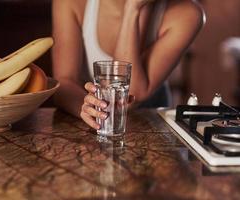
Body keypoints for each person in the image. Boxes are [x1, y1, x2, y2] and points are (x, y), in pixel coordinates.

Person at [52, 0, 205, 130]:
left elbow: (128, 94)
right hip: (91, 128)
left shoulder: (188, 13)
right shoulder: (71, 3)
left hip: (152, 132)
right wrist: (91, 110)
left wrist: (133, 9)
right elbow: (64, 82)